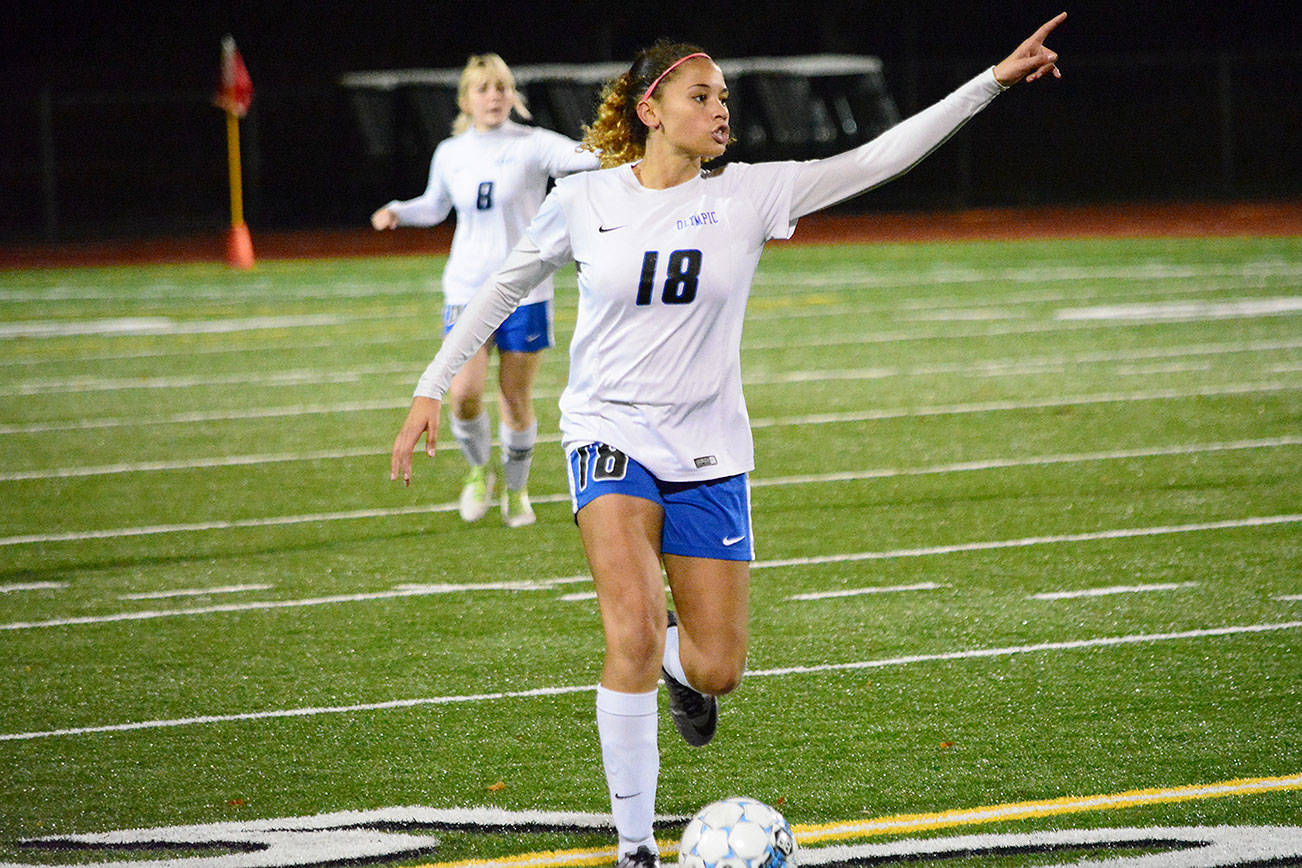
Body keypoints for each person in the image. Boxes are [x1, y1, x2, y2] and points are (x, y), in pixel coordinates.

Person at [391, 15, 1065, 867]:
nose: (721, 112)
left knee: (716, 668)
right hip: (608, 430)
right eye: (701, 96)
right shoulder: (587, 199)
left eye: (724, 99)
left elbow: (879, 157)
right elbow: (499, 288)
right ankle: (635, 846)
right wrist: (428, 389)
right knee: (630, 631)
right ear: (651, 108)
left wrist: (991, 83)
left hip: (709, 448)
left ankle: (681, 667)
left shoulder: (749, 193)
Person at [372, 53, 600, 527]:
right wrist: (397, 209)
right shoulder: (450, 152)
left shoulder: (535, 144)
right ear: (465, 100)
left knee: (515, 398)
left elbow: (590, 158)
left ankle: (517, 491)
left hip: (526, 292)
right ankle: (480, 472)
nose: (494, 96)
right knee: (464, 395)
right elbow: (435, 207)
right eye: (483, 88)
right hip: (466, 289)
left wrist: (636, 139)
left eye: (502, 87)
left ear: (513, 94)